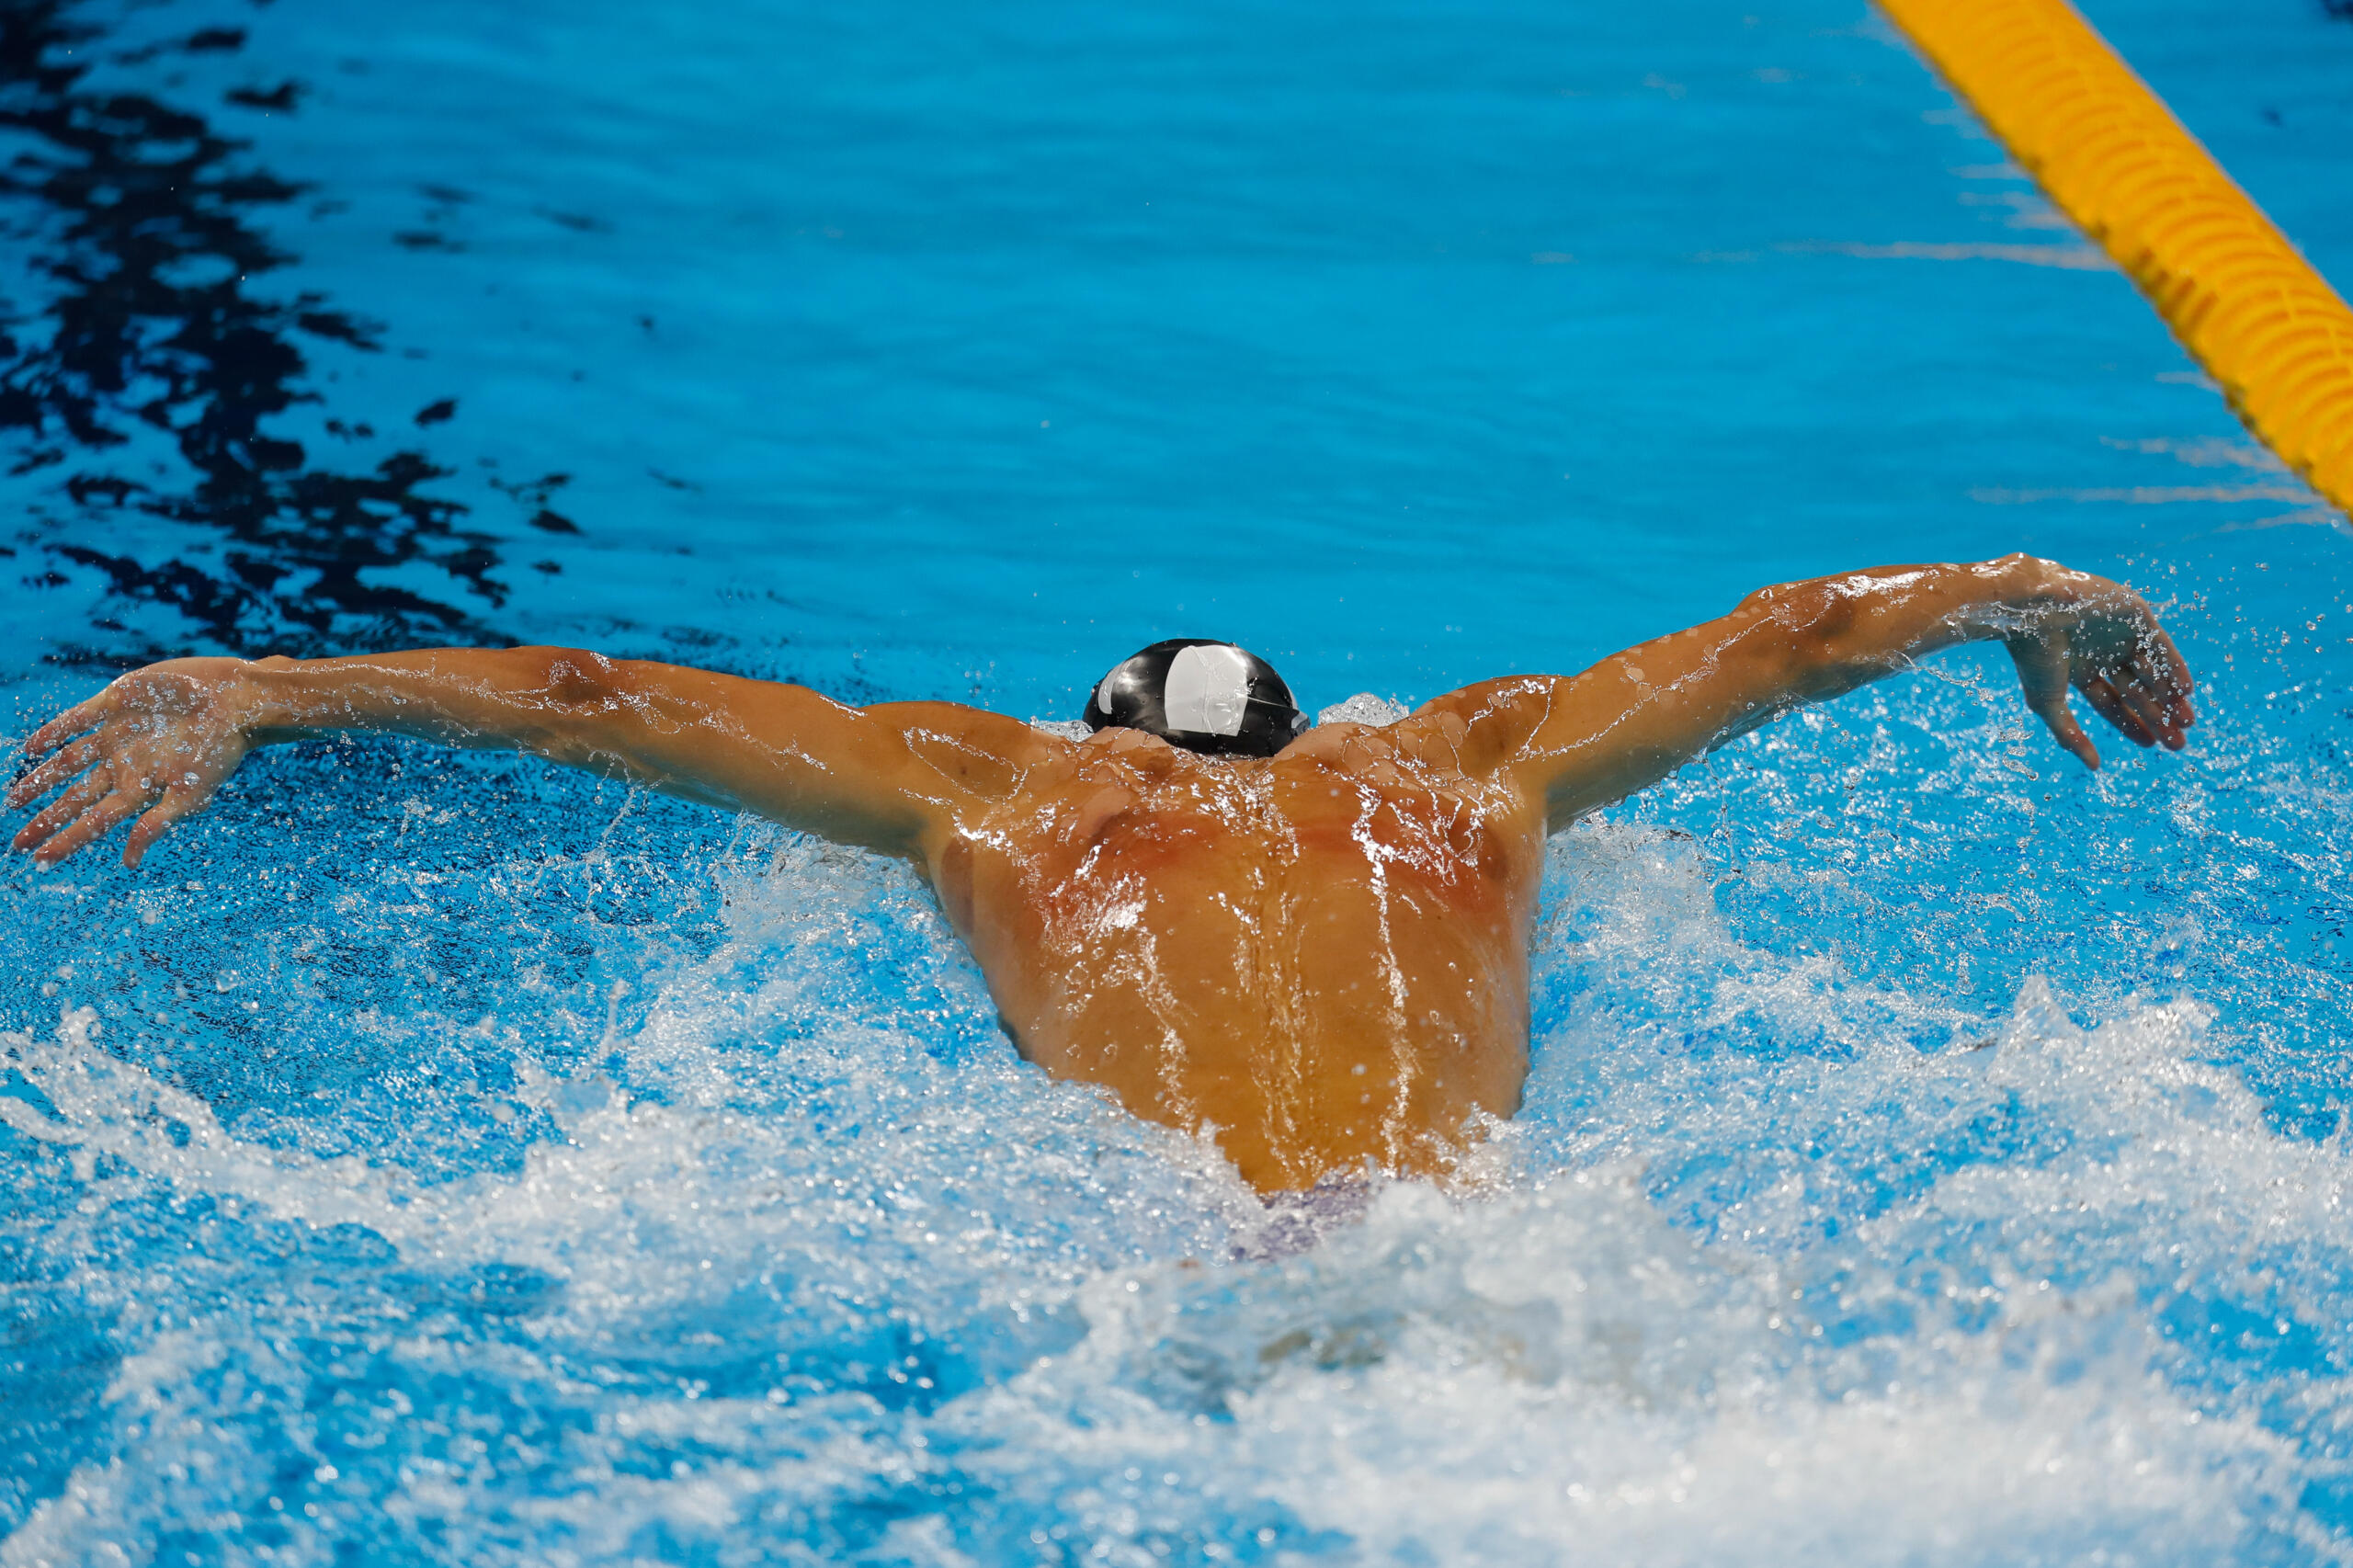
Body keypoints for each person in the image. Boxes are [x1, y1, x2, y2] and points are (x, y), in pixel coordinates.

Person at [6, 554, 2193, 1192]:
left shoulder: (1009, 804)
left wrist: (272, 682)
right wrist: (2018, 592)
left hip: (1180, 1301)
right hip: (1518, 1277)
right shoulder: (1465, 777)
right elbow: (1804, 632)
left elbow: (592, 690)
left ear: (1099, 734)